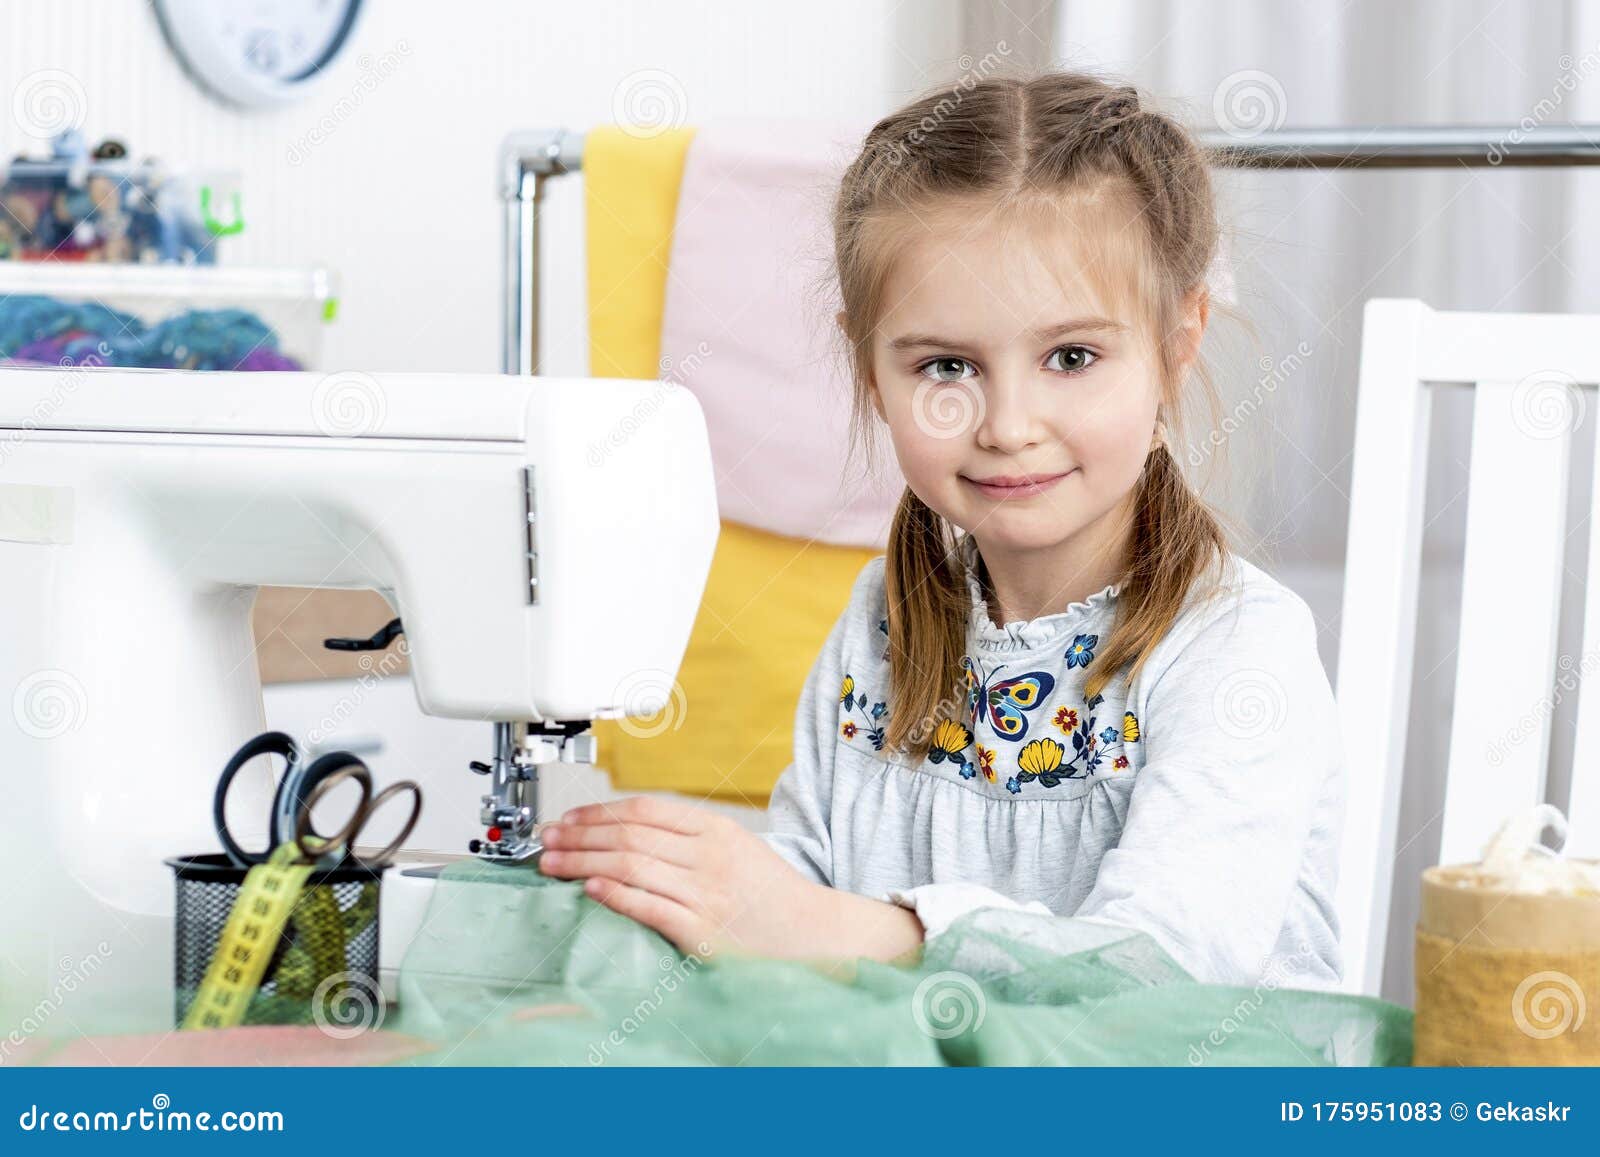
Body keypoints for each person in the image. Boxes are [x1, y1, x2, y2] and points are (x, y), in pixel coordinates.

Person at [538, 68, 1345, 989]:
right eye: (947, 365)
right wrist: (681, 915)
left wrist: (843, 929)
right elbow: (797, 902)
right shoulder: (882, 621)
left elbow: (1155, 972)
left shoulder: (1238, 648)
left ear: (1176, 343)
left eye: (1071, 357)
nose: (1006, 423)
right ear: (871, 371)